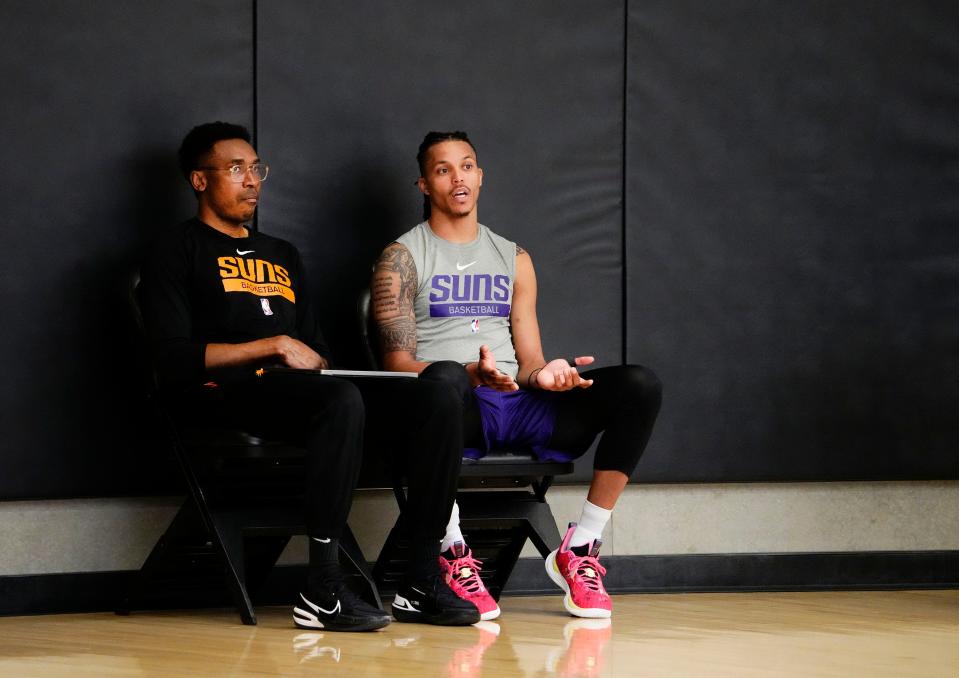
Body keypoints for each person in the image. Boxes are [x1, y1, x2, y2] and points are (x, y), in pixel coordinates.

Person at [140, 122, 479, 630]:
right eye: (236, 169)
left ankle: (421, 579)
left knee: (437, 396)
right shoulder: (175, 250)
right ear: (199, 180)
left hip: (299, 392)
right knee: (339, 401)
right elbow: (172, 358)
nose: (252, 180)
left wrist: (306, 356)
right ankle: (322, 586)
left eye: (257, 169)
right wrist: (272, 346)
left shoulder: (283, 254)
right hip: (225, 395)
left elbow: (316, 348)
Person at [371, 131, 662, 620]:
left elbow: (528, 361)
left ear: (480, 176)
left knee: (640, 385)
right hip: (453, 406)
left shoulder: (514, 258)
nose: (457, 177)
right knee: (443, 383)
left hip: (515, 403)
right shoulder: (401, 258)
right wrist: (468, 373)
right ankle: (453, 553)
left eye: (466, 166)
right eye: (443, 169)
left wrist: (546, 375)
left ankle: (582, 546)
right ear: (424, 184)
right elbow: (396, 367)